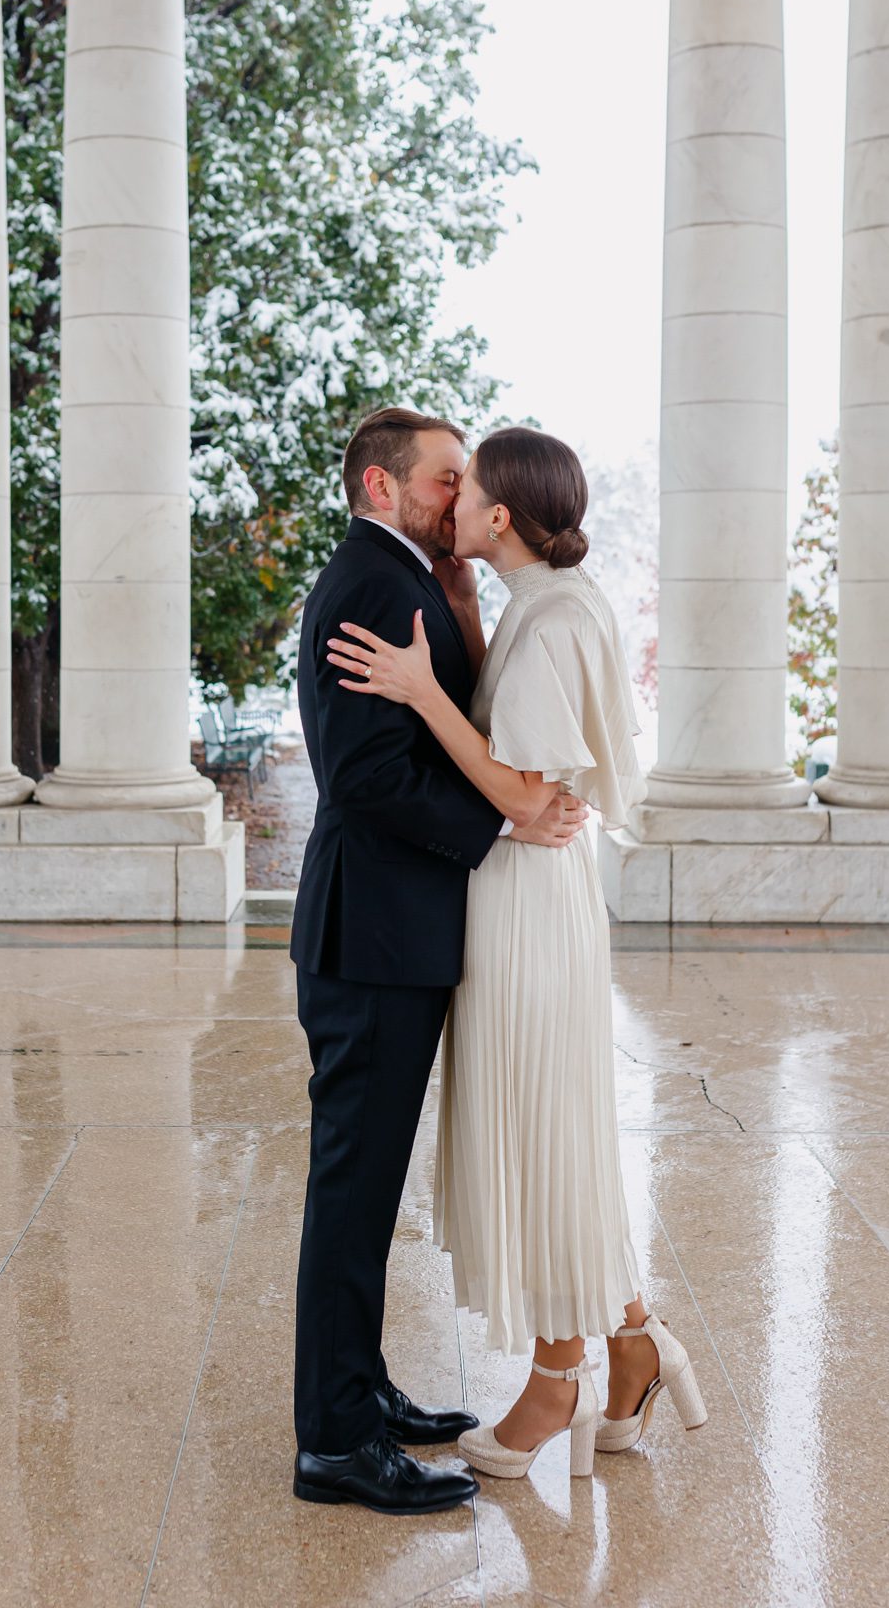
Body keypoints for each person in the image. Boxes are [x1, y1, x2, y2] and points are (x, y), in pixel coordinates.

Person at [327, 424, 708, 1483]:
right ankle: (631, 1339)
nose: (448, 501)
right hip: (527, 900)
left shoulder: (546, 618)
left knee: (546, 1131)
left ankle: (559, 1379)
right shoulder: (543, 604)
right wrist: (455, 621)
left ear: (498, 516)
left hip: (527, 905)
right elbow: (525, 745)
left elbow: (527, 794)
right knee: (559, 1128)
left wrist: (422, 690)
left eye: (465, 486)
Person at [290, 407, 589, 1515]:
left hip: (396, 931)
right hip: (368, 936)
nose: (458, 494)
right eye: (442, 477)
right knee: (350, 1185)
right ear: (381, 485)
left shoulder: (416, 576)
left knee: (367, 1187)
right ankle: (331, 1440)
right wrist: (499, 824)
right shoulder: (374, 581)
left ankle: (359, 1392)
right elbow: (361, 776)